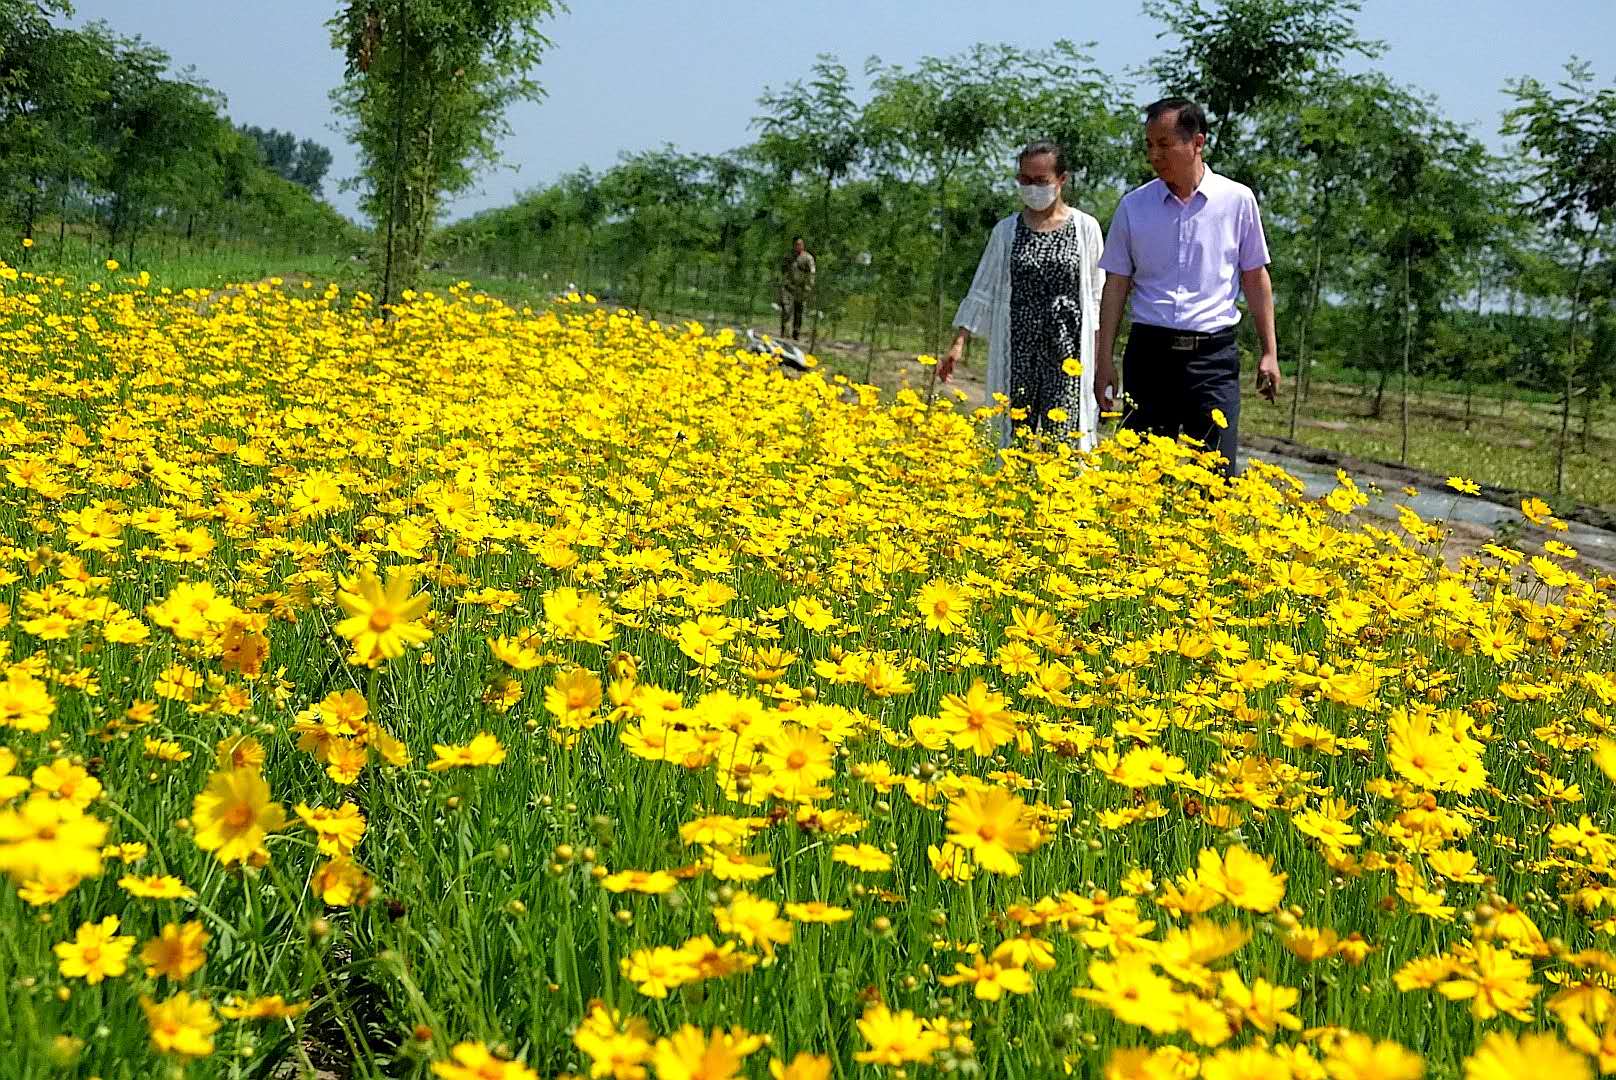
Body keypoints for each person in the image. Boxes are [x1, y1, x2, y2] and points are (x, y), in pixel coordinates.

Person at [1094, 97, 1281, 476]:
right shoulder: (1134, 207)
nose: (1155, 155)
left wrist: (1269, 352)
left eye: (1165, 144)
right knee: (1139, 480)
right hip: (1149, 356)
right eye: (1149, 145)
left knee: (1214, 479)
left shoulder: (1237, 201)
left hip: (1212, 358)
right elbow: (1115, 286)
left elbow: (1255, 278)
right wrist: (1104, 360)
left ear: (1197, 143)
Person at [941, 140, 1105, 450]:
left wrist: (1099, 360)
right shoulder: (1006, 232)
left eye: (1041, 181)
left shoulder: (1086, 229)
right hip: (1018, 350)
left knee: (1065, 444)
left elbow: (1097, 297)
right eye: (1025, 180)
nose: (1032, 188)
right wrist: (958, 343)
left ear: (1062, 180)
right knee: (1012, 440)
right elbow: (983, 287)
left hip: (1067, 356)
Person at [778, 236, 816, 340]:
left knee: (799, 312)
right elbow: (783, 270)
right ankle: (784, 331)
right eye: (796, 244)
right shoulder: (789, 257)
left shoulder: (808, 258)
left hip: (801, 288)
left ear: (803, 246)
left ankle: (796, 333)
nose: (798, 246)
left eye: (800, 244)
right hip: (789, 287)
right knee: (786, 309)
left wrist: (809, 286)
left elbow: (812, 273)